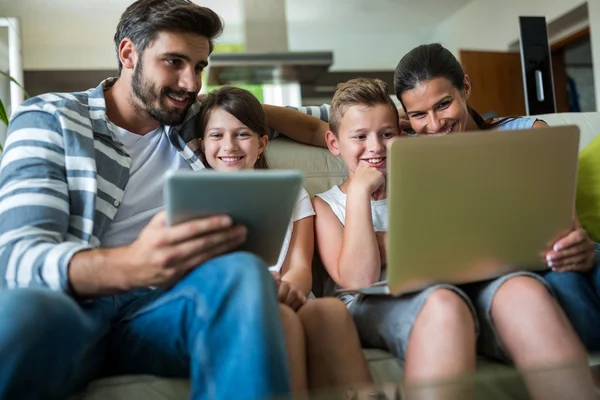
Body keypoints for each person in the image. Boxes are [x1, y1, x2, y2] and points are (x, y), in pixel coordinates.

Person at [0, 1, 292, 399]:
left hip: (164, 312)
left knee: (243, 272)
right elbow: (17, 260)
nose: (191, 83)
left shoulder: (194, 118)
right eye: (174, 61)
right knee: (21, 314)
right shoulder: (50, 118)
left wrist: (372, 124)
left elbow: (281, 115)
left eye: (200, 67)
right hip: (72, 312)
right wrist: (134, 265)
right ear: (128, 53)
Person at [301, 77, 596, 399]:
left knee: (523, 289)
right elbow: (359, 277)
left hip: (457, 282)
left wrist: (389, 243)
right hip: (376, 302)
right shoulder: (326, 205)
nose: (375, 146)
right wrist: (359, 190)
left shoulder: (428, 181)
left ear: (400, 135)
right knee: (443, 303)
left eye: (386, 134)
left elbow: (473, 240)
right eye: (360, 137)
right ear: (333, 143)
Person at [393, 43, 600, 355]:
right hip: (515, 276)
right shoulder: (413, 156)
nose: (434, 125)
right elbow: (341, 126)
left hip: (562, 257)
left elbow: (565, 224)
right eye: (419, 114)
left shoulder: (530, 133)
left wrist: (580, 245)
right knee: (564, 286)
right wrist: (397, 117)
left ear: (466, 86)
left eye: (443, 104)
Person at [194, 85, 372, 393]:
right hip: (236, 302)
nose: (230, 145)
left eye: (242, 134)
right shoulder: (192, 197)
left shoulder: (291, 193)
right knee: (278, 318)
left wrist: (291, 288)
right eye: (216, 135)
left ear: (262, 143)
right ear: (201, 144)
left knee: (329, 311)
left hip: (291, 294)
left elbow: (301, 266)